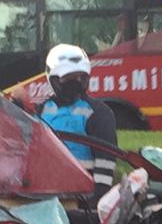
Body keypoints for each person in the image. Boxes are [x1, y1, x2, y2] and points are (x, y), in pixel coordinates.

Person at [39, 43, 118, 198]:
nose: (75, 82)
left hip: (82, 198)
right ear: (54, 80)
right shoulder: (41, 110)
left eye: (80, 77)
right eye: (68, 78)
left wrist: (97, 201)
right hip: (45, 195)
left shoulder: (98, 112)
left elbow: (106, 161)